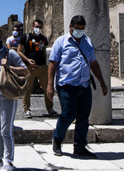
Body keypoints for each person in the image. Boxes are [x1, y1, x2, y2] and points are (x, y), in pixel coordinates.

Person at [46, 15, 108, 158]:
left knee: (83, 117)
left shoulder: (87, 42)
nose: (79, 31)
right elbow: (53, 64)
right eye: (77, 28)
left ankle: (80, 146)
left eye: (82, 28)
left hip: (84, 85)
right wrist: (50, 85)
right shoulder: (61, 42)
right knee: (68, 114)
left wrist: (102, 82)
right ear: (70, 27)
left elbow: (93, 63)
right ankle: (57, 139)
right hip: (67, 85)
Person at [0, 27, 28, 171]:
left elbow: (25, 70)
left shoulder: (10, 53)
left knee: (5, 130)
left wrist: (9, 67)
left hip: (6, 96)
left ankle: (9, 161)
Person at [17, 19, 58, 118]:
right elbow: (19, 51)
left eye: (40, 27)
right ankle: (26, 109)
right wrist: (27, 60)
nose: (38, 29)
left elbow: (44, 51)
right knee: (27, 89)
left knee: (47, 87)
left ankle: (50, 108)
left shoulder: (43, 38)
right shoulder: (26, 37)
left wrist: (45, 63)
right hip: (29, 67)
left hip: (42, 66)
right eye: (36, 27)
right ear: (32, 26)